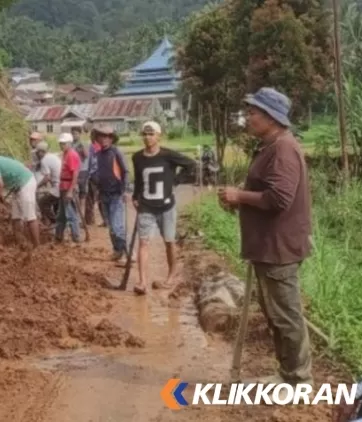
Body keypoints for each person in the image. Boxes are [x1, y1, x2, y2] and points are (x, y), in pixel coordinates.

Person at [218, 87, 313, 389]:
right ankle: (287, 374)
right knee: (277, 315)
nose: (248, 117)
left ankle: (299, 380)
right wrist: (240, 201)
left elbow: (279, 198)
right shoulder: (271, 146)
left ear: (271, 117)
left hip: (278, 248)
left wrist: (239, 195)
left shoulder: (283, 149)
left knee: (286, 316)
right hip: (268, 247)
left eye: (253, 112)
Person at [131, 121, 195, 295]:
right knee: (143, 242)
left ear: (159, 136)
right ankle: (142, 281)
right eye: (144, 134)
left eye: (151, 134)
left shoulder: (168, 155)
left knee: (169, 242)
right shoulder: (137, 157)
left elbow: (191, 165)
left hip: (166, 206)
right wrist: (135, 197)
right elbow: (138, 179)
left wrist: (176, 181)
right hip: (146, 206)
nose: (147, 137)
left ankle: (171, 276)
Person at [93, 124, 131, 265]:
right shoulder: (98, 155)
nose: (104, 139)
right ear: (97, 138)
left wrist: (125, 190)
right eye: (101, 136)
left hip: (116, 194)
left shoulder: (116, 152)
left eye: (107, 136)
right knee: (111, 226)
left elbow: (126, 171)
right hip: (104, 194)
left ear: (111, 138)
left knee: (117, 226)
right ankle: (117, 251)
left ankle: (125, 255)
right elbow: (97, 173)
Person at [55, 133, 82, 244]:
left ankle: (76, 237)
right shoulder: (65, 154)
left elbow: (75, 174)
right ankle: (58, 236)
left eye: (64, 144)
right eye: (60, 144)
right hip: (63, 187)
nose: (61, 146)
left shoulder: (72, 155)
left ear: (69, 143)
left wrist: (71, 190)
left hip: (68, 187)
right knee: (61, 214)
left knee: (70, 214)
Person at [34, 141, 62, 225]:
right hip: (61, 184)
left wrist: (37, 186)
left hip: (57, 187)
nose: (37, 154)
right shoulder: (53, 156)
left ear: (41, 152)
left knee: (42, 203)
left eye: (38, 152)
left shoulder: (44, 160)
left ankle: (54, 221)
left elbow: (47, 178)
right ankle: (52, 221)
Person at [87, 133, 108, 227]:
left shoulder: (94, 147)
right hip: (100, 175)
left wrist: (89, 173)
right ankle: (105, 220)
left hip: (95, 175)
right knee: (99, 199)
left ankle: (90, 220)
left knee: (92, 198)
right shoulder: (99, 146)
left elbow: (92, 162)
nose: (91, 138)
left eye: (92, 136)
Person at [71, 127, 90, 224]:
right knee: (75, 192)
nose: (75, 135)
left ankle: (81, 216)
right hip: (74, 170)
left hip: (83, 170)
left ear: (80, 134)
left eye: (76, 133)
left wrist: (82, 148)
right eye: (73, 134)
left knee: (82, 194)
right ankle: (76, 215)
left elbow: (86, 155)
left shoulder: (84, 144)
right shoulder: (70, 144)